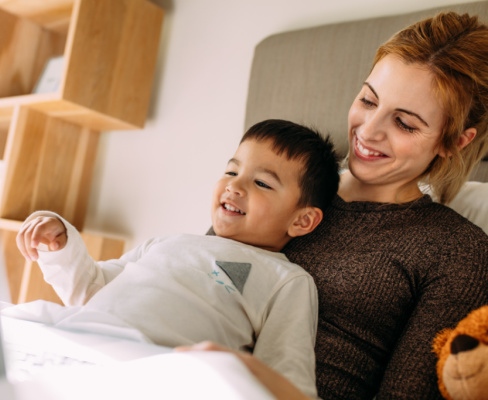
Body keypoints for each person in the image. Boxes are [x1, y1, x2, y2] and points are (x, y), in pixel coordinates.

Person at [179, 11, 488, 400]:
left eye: (405, 124)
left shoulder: (457, 251)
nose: (369, 131)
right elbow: (189, 283)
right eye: (368, 100)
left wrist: (249, 377)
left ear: (455, 141)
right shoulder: (275, 182)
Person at [16, 119, 341, 398]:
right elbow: (91, 290)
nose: (234, 186)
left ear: (301, 220)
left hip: (152, 368)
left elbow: (284, 378)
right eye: (231, 170)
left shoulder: (285, 280)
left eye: (261, 183)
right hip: (79, 337)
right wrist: (61, 244)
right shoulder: (167, 243)